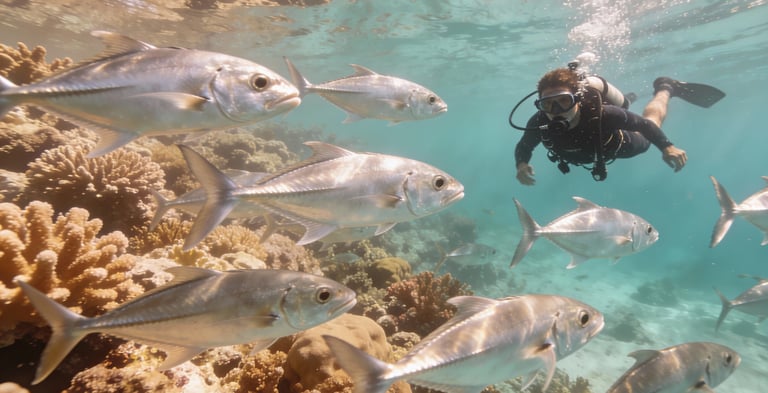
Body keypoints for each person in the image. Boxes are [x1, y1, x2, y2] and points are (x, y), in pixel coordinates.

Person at [512, 66, 724, 184]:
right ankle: (628, 97)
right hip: (590, 154)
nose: (556, 110)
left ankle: (666, 87)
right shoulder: (540, 122)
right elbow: (525, 146)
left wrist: (667, 147)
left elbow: (643, 125)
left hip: (624, 146)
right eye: (548, 104)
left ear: (576, 100)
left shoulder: (603, 114)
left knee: (651, 120)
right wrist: (521, 165)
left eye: (564, 101)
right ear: (539, 105)